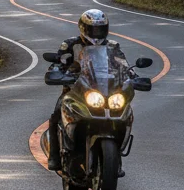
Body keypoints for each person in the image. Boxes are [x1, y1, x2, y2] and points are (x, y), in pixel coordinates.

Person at [46, 9, 128, 171]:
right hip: (74, 92)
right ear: (83, 28)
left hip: (105, 92)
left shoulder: (112, 47)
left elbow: (123, 65)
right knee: (56, 116)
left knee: (123, 113)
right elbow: (59, 62)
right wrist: (57, 71)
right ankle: (54, 156)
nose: (96, 33)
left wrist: (132, 76)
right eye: (92, 29)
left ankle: (115, 157)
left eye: (100, 29)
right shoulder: (71, 44)